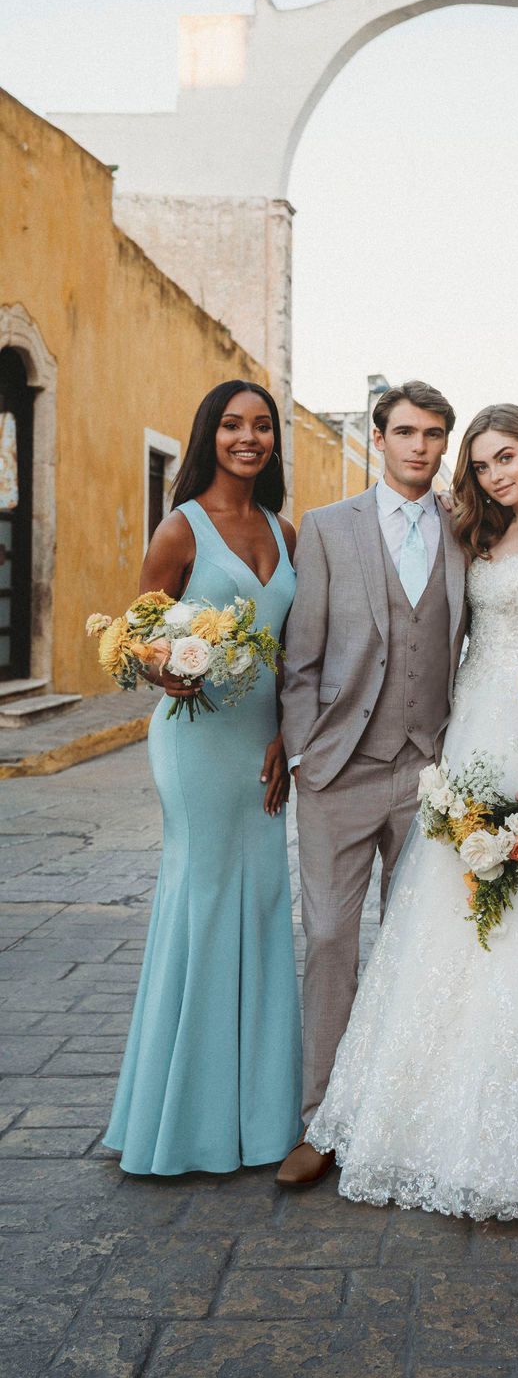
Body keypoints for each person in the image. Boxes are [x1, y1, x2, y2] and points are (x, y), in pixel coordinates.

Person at [304, 405, 518, 1225]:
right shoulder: (477, 538)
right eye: (482, 463)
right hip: (466, 739)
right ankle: (419, 1119)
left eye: (506, 457)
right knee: (444, 924)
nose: (494, 474)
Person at [104, 380, 302, 1175]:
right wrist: (167, 675)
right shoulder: (180, 529)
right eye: (231, 425)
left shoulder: (287, 531)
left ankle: (257, 1121)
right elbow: (131, 641)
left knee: (261, 906)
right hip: (195, 741)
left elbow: (295, 654)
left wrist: (289, 734)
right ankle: (180, 1122)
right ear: (207, 436)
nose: (247, 438)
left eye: (260, 426)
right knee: (203, 901)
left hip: (262, 744)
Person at [275, 381, 468, 1187]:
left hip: (430, 770)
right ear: (380, 439)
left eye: (433, 435)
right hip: (340, 771)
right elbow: (301, 659)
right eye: (405, 433)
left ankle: (405, 1114)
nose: (419, 447)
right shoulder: (326, 529)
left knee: (420, 949)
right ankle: (321, 1123)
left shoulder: (467, 527)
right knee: (328, 942)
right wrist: (302, 755)